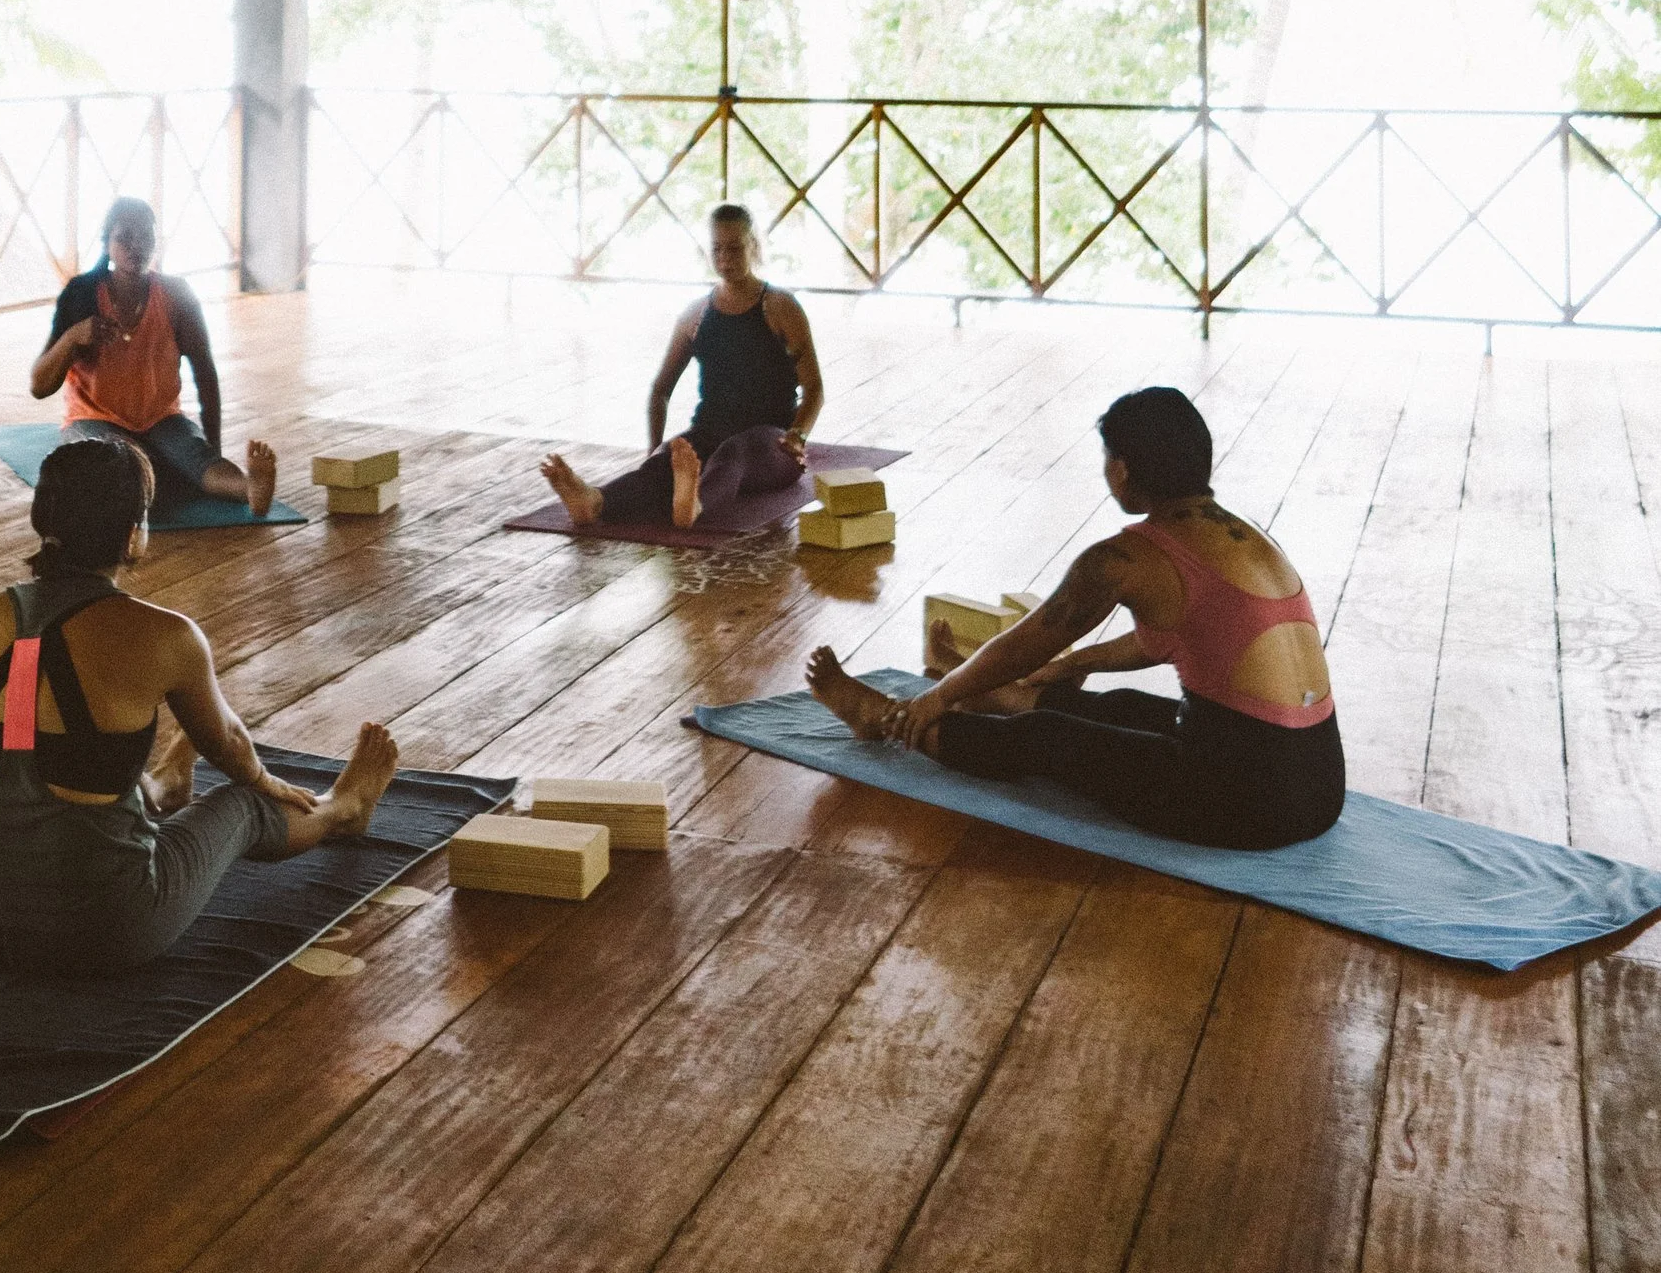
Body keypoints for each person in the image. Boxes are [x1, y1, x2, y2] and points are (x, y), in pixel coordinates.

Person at [806, 382, 1346, 852]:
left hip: (1251, 805)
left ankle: (888, 720)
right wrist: (1074, 665)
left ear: (1122, 467)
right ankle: (988, 693)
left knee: (1050, 738)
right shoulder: (1246, 537)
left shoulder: (1124, 559)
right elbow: (1181, 638)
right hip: (1318, 784)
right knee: (1122, 707)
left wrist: (939, 696)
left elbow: (1028, 645)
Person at [0, 428, 399, 974]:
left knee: (44, 738)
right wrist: (266, 785)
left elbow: (31, 740)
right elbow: (228, 744)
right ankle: (344, 811)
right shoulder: (164, 634)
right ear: (133, 536)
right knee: (239, 805)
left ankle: (160, 788)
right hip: (101, 929)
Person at [539, 202, 822, 530]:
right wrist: (654, 446)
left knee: (733, 454)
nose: (725, 259)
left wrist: (798, 435)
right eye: (717, 249)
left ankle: (694, 504)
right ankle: (595, 501)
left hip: (772, 444)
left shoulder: (780, 307)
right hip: (710, 432)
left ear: (754, 247)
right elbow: (660, 390)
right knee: (666, 462)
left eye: (735, 248)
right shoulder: (696, 316)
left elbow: (814, 387)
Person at [29, 194, 280, 520]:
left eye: (145, 237)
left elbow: (204, 371)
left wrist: (213, 445)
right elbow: (39, 385)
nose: (136, 246)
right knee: (119, 460)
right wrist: (74, 337)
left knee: (195, 457)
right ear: (107, 244)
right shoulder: (82, 294)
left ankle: (250, 489)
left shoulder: (176, 295)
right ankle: (141, 482)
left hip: (161, 418)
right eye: (125, 237)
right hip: (94, 417)